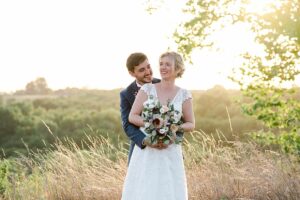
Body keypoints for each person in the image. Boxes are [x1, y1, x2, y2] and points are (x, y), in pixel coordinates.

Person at [121, 51, 195, 200]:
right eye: (161, 64)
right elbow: (130, 119)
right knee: (145, 188)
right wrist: (153, 124)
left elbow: (191, 123)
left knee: (169, 189)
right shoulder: (146, 89)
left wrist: (174, 127)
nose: (162, 67)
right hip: (147, 148)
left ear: (178, 68)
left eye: (167, 64)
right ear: (132, 73)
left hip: (171, 149)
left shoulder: (184, 94)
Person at [120, 52, 169, 164]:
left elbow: (176, 114)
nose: (148, 72)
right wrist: (147, 141)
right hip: (143, 147)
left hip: (167, 144)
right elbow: (127, 125)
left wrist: (169, 135)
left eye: (148, 67)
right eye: (142, 70)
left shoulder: (164, 84)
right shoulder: (126, 94)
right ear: (132, 73)